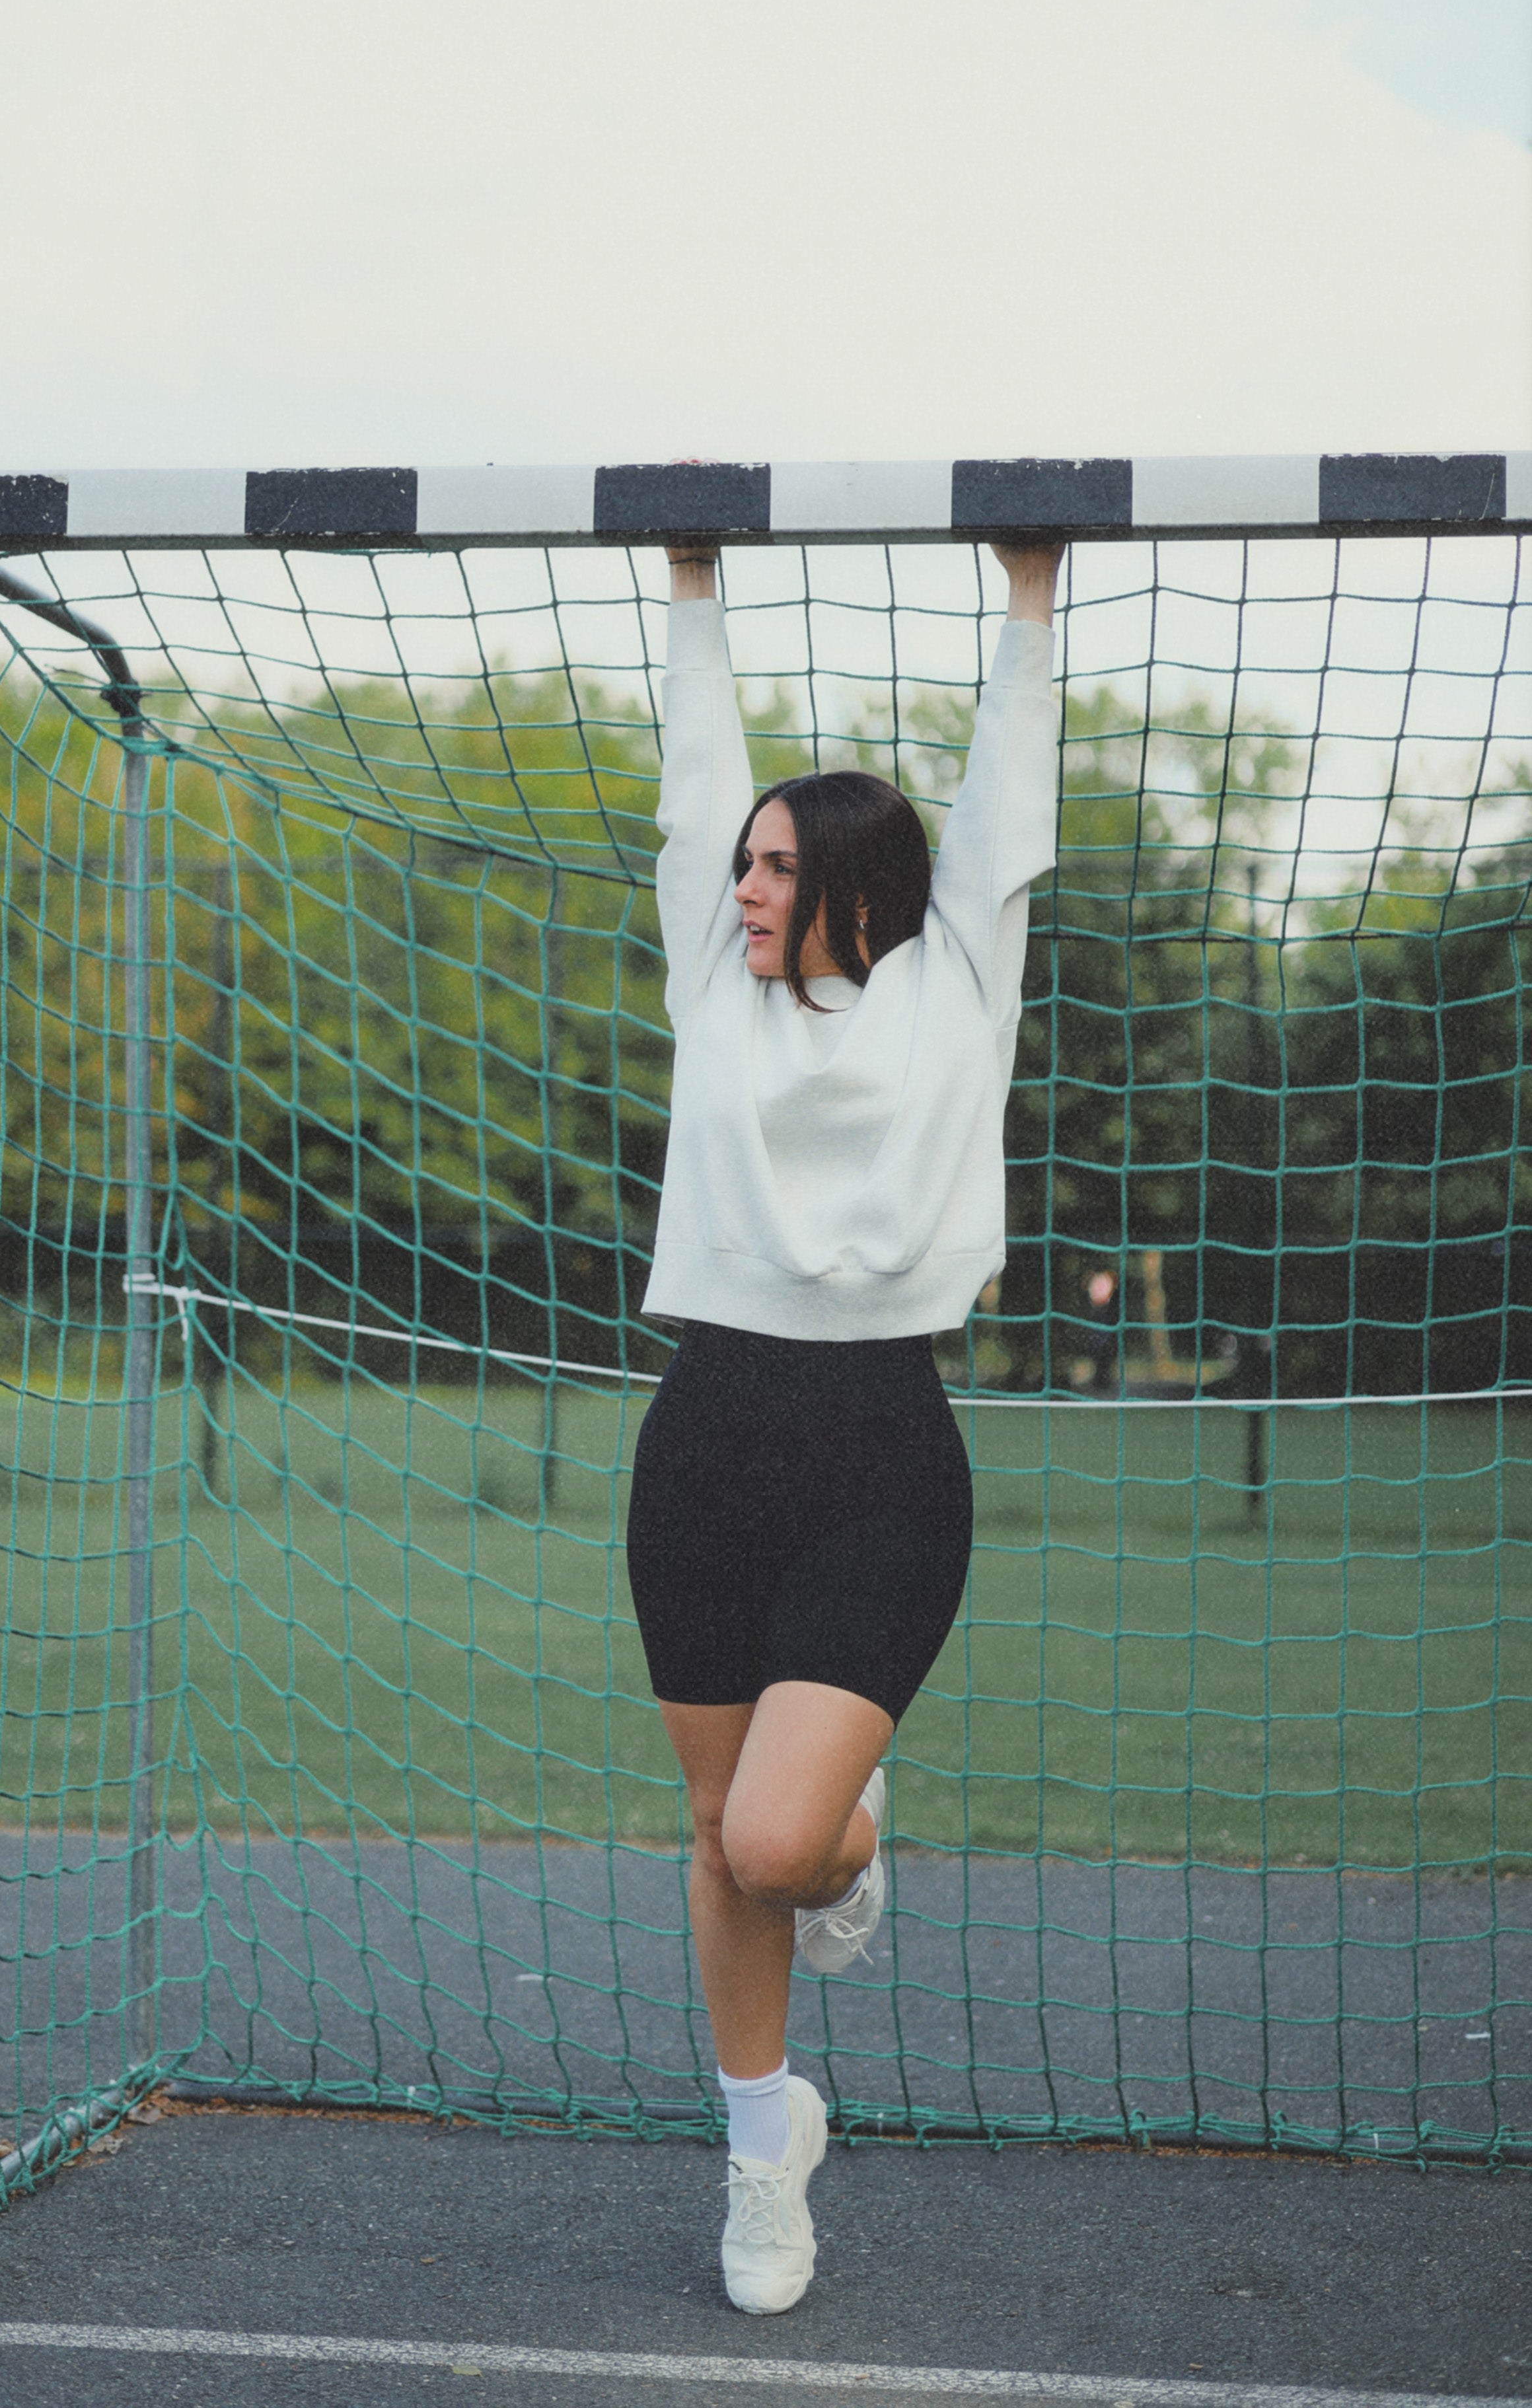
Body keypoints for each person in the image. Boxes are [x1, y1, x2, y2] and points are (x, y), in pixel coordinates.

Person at [626, 536, 1064, 2314]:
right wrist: (692, 588)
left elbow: (1007, 822)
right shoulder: (712, 990)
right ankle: (762, 2154)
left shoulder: (957, 985)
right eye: (737, 863)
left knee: (782, 1846)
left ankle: (850, 1829)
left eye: (777, 866)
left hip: (883, 1441)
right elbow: (690, 782)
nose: (741, 885)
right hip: (707, 1430)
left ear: (859, 890)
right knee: (723, 1834)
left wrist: (1029, 607)